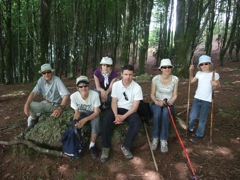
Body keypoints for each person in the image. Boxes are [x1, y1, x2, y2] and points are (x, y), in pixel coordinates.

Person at [100, 64, 143, 162]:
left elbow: (135, 107)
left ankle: (126, 146)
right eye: (126, 74)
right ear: (121, 74)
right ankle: (105, 148)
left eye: (130, 75)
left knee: (136, 122)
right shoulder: (116, 85)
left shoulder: (137, 87)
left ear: (133, 75)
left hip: (129, 110)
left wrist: (123, 117)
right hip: (117, 109)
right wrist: (116, 115)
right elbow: (114, 101)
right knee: (106, 121)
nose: (128, 77)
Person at [23, 63, 70, 132]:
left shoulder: (56, 80)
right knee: (29, 104)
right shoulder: (41, 80)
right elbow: (33, 93)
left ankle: (34, 120)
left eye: (48, 72)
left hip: (55, 105)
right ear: (42, 74)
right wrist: (26, 104)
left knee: (31, 105)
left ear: (52, 72)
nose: (46, 74)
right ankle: (34, 119)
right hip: (47, 102)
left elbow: (66, 95)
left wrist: (60, 108)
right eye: (44, 73)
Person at [188, 55, 221, 143]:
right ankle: (190, 128)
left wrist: (215, 84)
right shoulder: (199, 74)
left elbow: (219, 86)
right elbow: (191, 81)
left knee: (202, 119)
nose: (204, 66)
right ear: (199, 66)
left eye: (206, 63)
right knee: (192, 116)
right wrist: (191, 71)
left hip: (207, 100)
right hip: (197, 98)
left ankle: (199, 134)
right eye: (202, 64)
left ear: (210, 64)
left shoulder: (214, 74)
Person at [150, 59, 179, 153]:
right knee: (157, 113)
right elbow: (152, 94)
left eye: (169, 67)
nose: (167, 69)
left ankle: (163, 139)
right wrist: (157, 102)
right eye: (164, 67)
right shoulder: (155, 79)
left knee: (166, 114)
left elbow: (175, 95)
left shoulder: (175, 79)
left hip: (169, 104)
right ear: (161, 69)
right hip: (157, 102)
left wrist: (170, 102)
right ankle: (155, 138)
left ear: (171, 68)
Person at [70, 76, 101, 159]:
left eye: (85, 86)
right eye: (80, 86)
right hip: (82, 113)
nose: (83, 88)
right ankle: (78, 145)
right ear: (77, 88)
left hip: (93, 113)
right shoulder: (73, 96)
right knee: (76, 125)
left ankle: (92, 145)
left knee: (96, 122)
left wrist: (85, 120)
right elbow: (77, 112)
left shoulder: (95, 95)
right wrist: (76, 121)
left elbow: (96, 112)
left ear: (89, 86)